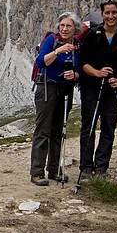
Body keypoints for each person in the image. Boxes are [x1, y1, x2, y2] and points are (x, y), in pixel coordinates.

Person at [78, 0, 117, 181]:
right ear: (102, 15)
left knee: (108, 126)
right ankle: (86, 166)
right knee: (89, 126)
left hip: (113, 88)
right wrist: (97, 73)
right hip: (91, 87)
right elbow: (83, 63)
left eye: (114, 13)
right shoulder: (93, 35)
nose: (111, 16)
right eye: (107, 13)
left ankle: (101, 166)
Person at [30, 12, 81, 186]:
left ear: (75, 29)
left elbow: (79, 69)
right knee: (43, 129)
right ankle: (37, 172)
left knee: (59, 130)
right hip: (47, 87)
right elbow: (40, 62)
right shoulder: (52, 40)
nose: (65, 29)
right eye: (62, 26)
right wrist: (58, 51)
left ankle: (54, 170)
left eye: (69, 26)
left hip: (65, 90)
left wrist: (74, 74)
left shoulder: (77, 45)